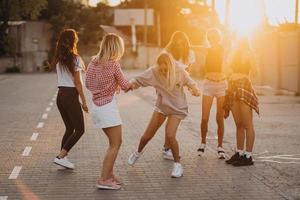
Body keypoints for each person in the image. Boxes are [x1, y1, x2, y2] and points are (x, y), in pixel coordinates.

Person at [127, 53, 200, 178]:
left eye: (166, 69)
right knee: (146, 136)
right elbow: (138, 79)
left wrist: (195, 90)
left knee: (170, 134)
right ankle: (137, 153)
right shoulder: (154, 72)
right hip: (162, 107)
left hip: (177, 108)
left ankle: (178, 166)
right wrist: (131, 84)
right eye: (161, 69)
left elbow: (190, 82)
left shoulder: (179, 71)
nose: (164, 71)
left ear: (171, 66)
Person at [85, 33, 132, 190]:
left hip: (97, 108)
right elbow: (126, 85)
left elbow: (88, 84)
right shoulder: (114, 64)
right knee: (115, 144)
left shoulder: (92, 63)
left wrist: (104, 87)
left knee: (113, 143)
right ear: (116, 47)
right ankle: (104, 179)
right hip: (108, 108)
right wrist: (136, 82)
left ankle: (110, 176)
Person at [51, 29, 88, 169]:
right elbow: (77, 83)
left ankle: (62, 158)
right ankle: (60, 157)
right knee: (80, 129)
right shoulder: (75, 58)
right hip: (70, 95)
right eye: (76, 38)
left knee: (70, 128)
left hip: (60, 96)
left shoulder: (60, 59)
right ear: (73, 41)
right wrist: (84, 101)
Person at [223, 37, 259, 166]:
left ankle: (248, 156)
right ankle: (239, 153)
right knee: (239, 124)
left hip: (244, 86)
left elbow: (255, 72)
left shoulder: (249, 53)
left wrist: (251, 58)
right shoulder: (233, 53)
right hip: (233, 87)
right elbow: (226, 69)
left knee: (247, 124)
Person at [162, 31, 196, 160]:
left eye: (182, 43)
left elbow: (187, 73)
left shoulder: (190, 54)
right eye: (177, 43)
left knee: (172, 118)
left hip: (179, 88)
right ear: (174, 42)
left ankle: (166, 147)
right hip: (168, 87)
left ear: (185, 43)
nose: (180, 45)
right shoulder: (168, 52)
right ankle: (167, 148)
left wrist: (191, 87)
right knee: (170, 117)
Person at [197, 28, 227, 159]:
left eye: (214, 36)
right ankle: (203, 143)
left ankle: (220, 147)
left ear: (218, 37)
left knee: (219, 118)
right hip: (208, 84)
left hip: (221, 85)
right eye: (210, 37)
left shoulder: (224, 49)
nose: (212, 38)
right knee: (204, 118)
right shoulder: (206, 50)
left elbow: (228, 65)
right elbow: (194, 48)